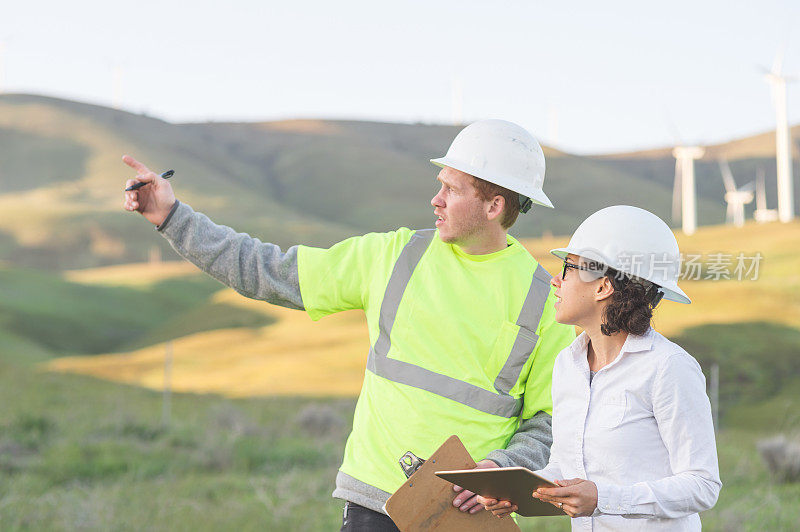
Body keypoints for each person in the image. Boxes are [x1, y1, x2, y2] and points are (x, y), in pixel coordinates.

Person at [122, 119, 575, 531]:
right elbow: (267, 270)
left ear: (495, 205)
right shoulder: (393, 255)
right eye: (440, 185)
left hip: (466, 520)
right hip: (373, 505)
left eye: (453, 190)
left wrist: (502, 466)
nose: (435, 199)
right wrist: (173, 217)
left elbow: (550, 422)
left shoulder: (544, 301)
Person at [479, 205, 721, 530]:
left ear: (602, 286)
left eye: (567, 268)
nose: (554, 280)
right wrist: (519, 491)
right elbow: (565, 468)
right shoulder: (567, 364)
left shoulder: (669, 368)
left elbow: (703, 485)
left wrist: (604, 499)